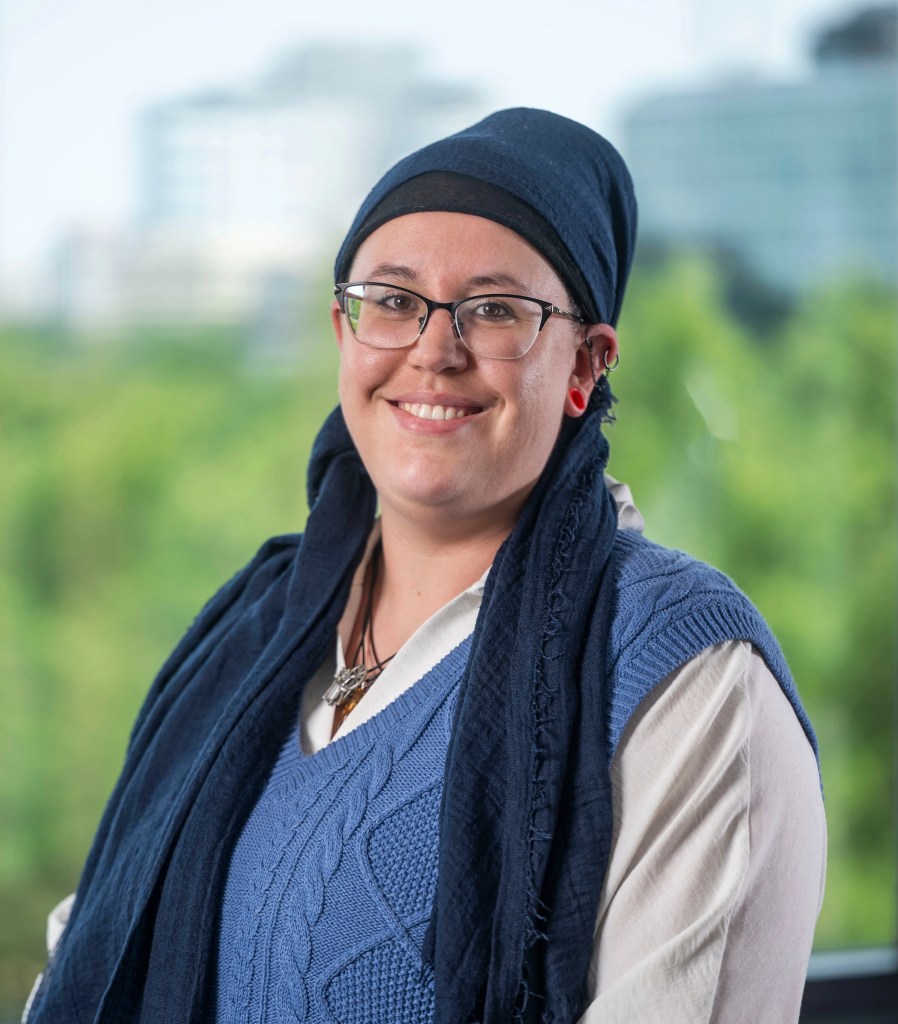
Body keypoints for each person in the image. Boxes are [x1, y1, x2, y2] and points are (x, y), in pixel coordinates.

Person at [24, 108, 825, 1024]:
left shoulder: (688, 677)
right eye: (395, 302)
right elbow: (89, 948)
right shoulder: (250, 631)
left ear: (585, 367)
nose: (433, 352)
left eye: (495, 310)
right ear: (345, 335)